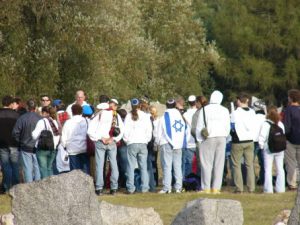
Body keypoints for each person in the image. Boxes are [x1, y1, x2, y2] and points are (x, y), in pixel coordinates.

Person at [88, 95, 124, 195]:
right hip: (111, 141)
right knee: (114, 164)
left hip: (100, 141)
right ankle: (114, 188)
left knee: (99, 165)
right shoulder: (115, 114)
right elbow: (121, 130)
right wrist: (113, 138)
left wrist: (99, 137)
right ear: (108, 102)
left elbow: (90, 131)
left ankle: (99, 188)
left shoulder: (98, 114)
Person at [195, 90, 230, 194]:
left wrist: (199, 140)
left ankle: (206, 187)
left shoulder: (204, 110)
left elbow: (199, 126)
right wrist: (225, 137)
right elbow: (227, 126)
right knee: (219, 163)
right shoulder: (224, 110)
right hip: (221, 137)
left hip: (208, 138)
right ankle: (216, 188)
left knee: (206, 163)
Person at [155, 99, 186, 194]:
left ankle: (167, 187)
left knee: (167, 166)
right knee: (177, 166)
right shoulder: (180, 116)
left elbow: (158, 132)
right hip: (178, 144)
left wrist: (157, 143)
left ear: (166, 105)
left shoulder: (163, 117)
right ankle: (178, 187)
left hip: (166, 142)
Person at [123, 98, 152, 194]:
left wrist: (127, 141)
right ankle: (145, 188)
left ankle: (131, 188)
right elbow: (149, 130)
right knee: (143, 167)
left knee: (131, 167)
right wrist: (146, 140)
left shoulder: (128, 116)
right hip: (143, 142)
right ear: (140, 105)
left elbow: (125, 131)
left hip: (132, 143)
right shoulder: (145, 116)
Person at [230, 93, 256, 193]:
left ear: (240, 101)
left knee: (236, 165)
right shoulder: (252, 112)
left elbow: (232, 127)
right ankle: (251, 188)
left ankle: (239, 188)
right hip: (250, 140)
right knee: (249, 165)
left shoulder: (235, 113)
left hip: (238, 141)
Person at [12, 99, 41, 183]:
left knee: (27, 168)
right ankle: (38, 186)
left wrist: (20, 141)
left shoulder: (22, 118)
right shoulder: (40, 118)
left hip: (25, 146)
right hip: (37, 146)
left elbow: (15, 133)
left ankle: (29, 188)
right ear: (35, 108)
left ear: (27, 107)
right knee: (37, 168)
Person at [259, 106, 285, 193]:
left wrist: (261, 147)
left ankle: (268, 189)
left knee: (268, 169)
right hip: (280, 149)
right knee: (280, 168)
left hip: (268, 149)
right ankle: (281, 188)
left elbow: (262, 137)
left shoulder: (265, 124)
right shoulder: (280, 124)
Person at [32, 106, 60, 179]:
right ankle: (51, 186)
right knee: (49, 168)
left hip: (43, 149)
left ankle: (45, 187)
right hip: (53, 148)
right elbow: (57, 136)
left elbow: (34, 135)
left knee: (43, 169)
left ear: (44, 113)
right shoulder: (55, 122)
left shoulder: (42, 121)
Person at [61, 104, 89, 174]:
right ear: (81, 111)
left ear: (72, 112)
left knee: (74, 173)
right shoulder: (86, 121)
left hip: (72, 149)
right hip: (84, 148)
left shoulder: (68, 122)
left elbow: (64, 136)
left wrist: (64, 146)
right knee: (85, 171)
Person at [0, 95, 20, 192]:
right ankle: (16, 187)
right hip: (14, 143)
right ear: (11, 104)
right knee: (15, 165)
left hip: (2, 144)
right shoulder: (16, 115)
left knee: (6, 166)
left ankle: (6, 186)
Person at [283, 89, 300, 190]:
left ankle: (292, 183)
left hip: (291, 139)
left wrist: (285, 136)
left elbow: (287, 126)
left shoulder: (289, 109)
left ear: (291, 97)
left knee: (291, 163)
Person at [182, 95, 197, 178]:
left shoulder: (185, 114)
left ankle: (188, 181)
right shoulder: (200, 112)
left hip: (189, 141)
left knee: (189, 163)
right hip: (198, 140)